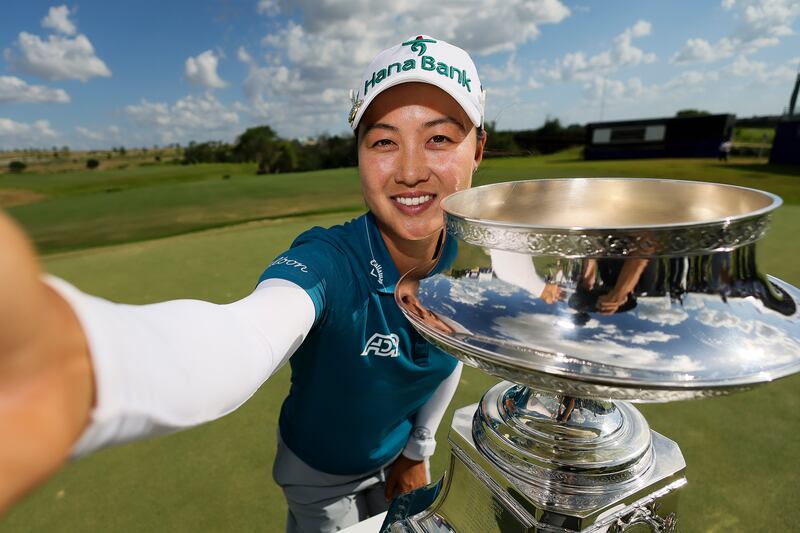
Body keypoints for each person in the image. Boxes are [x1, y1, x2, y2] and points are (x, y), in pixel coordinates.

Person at [0, 35, 487, 532]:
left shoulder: (474, 262)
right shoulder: (328, 260)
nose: (409, 171)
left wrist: (416, 449)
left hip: (395, 461)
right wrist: (85, 364)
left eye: (440, 138)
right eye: (384, 141)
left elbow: (447, 356)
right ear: (359, 154)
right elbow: (246, 333)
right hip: (319, 477)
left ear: (478, 150)